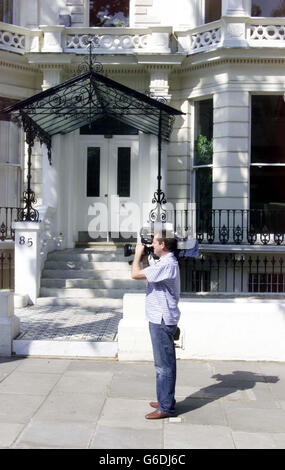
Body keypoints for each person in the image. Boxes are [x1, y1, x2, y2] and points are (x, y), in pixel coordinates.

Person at [131, 230, 181, 419]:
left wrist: (137, 255)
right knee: (165, 363)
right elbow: (146, 272)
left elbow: (135, 274)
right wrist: (144, 258)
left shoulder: (167, 264)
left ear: (163, 245)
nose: (151, 245)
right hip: (159, 317)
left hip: (161, 319)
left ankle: (166, 407)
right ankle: (165, 400)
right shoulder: (164, 263)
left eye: (154, 242)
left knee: (163, 366)